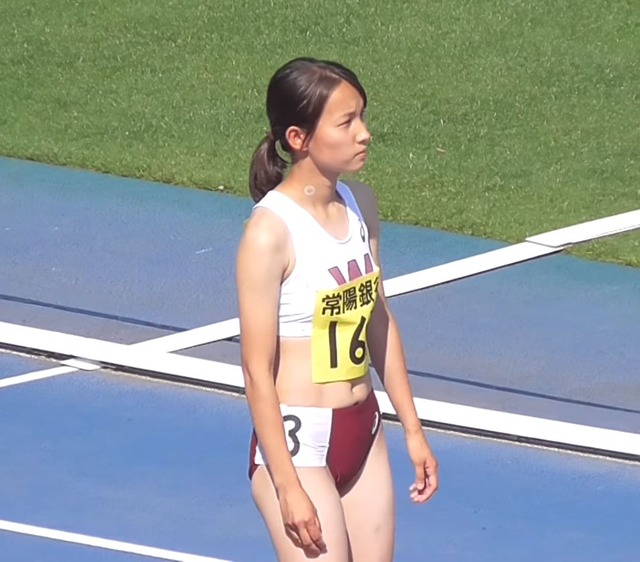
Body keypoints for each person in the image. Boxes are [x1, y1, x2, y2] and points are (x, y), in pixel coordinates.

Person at [235, 57, 439, 562]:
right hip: (299, 446)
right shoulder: (269, 233)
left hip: (363, 431)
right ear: (299, 138)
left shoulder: (361, 205)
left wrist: (413, 429)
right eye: (346, 122)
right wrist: (286, 486)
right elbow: (256, 372)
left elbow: (378, 321)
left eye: (362, 117)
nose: (364, 133)